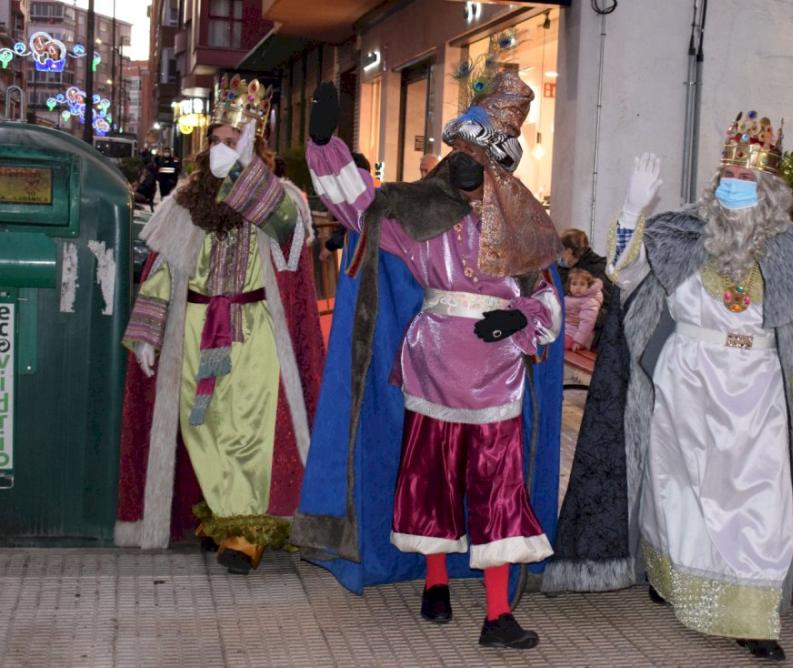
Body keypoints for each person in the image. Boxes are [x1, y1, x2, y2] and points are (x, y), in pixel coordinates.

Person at [545, 111, 793, 662]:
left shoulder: (792, 248)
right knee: (678, 487)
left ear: (769, 189)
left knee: (758, 495)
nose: (733, 186)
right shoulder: (682, 232)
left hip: (757, 389)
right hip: (686, 377)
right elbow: (625, 277)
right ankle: (669, 574)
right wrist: (632, 210)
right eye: (727, 176)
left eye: (746, 180)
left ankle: (753, 615)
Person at [294, 72, 564, 650]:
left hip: (497, 379)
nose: (464, 166)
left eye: (479, 157)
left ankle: (497, 615)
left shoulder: (522, 231)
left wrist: (519, 320)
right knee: (429, 481)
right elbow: (357, 205)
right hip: (432, 369)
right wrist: (325, 147)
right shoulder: (415, 217)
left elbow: (547, 299)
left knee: (498, 491)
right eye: (460, 153)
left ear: (500, 169)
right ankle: (435, 584)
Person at [115, 76, 326, 575]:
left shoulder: (282, 198)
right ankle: (224, 515)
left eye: (233, 140)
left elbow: (292, 243)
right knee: (204, 425)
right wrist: (146, 333)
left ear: (254, 143)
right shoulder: (185, 200)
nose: (219, 148)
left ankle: (245, 532)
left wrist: (244, 171)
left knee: (247, 429)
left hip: (251, 332)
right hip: (195, 331)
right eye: (216, 139)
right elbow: (162, 271)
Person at [563, 268, 603, 352]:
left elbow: (587, 322)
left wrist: (578, 341)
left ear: (588, 286)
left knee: (555, 343)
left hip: (577, 336)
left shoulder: (590, 301)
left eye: (582, 284)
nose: (578, 288)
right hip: (566, 330)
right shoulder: (568, 297)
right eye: (574, 284)